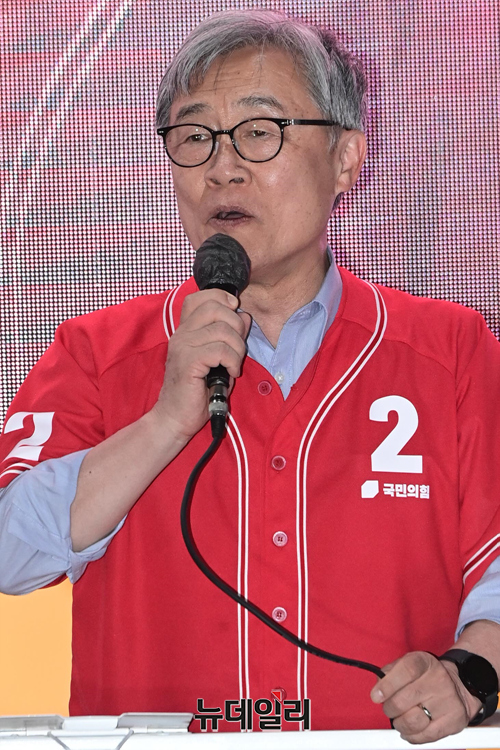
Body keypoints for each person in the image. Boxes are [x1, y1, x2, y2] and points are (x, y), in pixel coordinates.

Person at [1, 8, 500, 743]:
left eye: (260, 131)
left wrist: (472, 672)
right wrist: (164, 422)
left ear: (346, 159)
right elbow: (9, 554)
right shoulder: (97, 352)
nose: (222, 168)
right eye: (194, 137)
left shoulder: (451, 350)